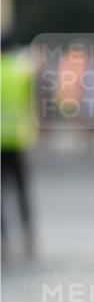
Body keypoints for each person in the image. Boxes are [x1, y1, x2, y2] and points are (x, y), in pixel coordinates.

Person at [1, 37, 37, 258]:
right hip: (18, 137)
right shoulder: (21, 71)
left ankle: (3, 238)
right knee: (21, 188)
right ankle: (28, 234)